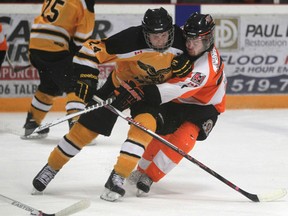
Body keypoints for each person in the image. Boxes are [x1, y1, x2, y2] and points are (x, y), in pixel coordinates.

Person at [31, 7, 186, 199]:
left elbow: (203, 54)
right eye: (155, 37)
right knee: (83, 131)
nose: (161, 41)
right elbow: (90, 48)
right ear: (145, 33)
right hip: (119, 87)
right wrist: (87, 78)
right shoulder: (130, 39)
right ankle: (51, 168)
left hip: (150, 94)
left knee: (145, 129)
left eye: (164, 35)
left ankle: (118, 176)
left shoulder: (181, 40)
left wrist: (189, 64)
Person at [127, 12, 227, 196]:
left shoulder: (207, 67)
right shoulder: (183, 42)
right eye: (188, 39)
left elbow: (179, 88)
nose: (189, 45)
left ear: (207, 40)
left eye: (195, 42)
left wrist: (144, 94)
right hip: (178, 101)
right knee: (161, 133)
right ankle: (141, 170)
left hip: (206, 106)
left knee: (184, 137)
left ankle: (150, 176)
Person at [22, 0, 95, 139]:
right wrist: (73, 49)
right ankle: (77, 128)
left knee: (49, 86)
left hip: (35, 44)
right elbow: (83, 35)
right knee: (76, 84)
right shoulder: (85, 2)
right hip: (54, 46)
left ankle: (32, 123)